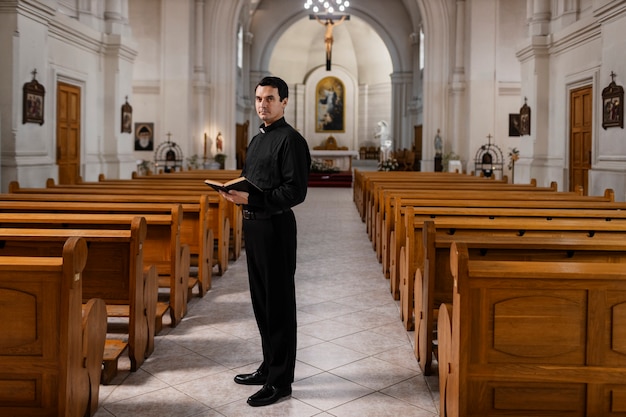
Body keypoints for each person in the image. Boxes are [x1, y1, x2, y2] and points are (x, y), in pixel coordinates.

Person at [218, 76, 311, 407]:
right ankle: (268, 366)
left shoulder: (291, 141)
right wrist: (233, 192)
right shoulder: (257, 140)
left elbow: (294, 192)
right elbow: (253, 182)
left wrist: (250, 200)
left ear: (284, 102)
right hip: (254, 229)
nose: (262, 104)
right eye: (259, 98)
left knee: (279, 307)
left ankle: (280, 381)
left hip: (276, 228)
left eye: (270, 98)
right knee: (261, 303)